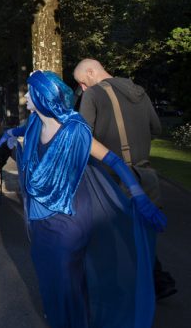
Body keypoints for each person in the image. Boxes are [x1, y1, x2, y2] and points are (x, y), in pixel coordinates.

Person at [0, 70, 165, 327]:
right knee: (48, 276)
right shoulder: (34, 124)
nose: (25, 97)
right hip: (41, 218)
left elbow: (113, 160)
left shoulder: (75, 131)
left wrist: (139, 195)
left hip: (69, 218)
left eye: (30, 92)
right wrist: (11, 137)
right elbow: (23, 132)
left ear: (43, 97)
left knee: (66, 278)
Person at [73, 58, 175, 300]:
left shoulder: (93, 95)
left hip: (113, 177)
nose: (83, 88)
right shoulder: (138, 90)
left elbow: (82, 137)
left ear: (91, 71)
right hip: (145, 173)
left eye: (82, 83)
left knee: (110, 237)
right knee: (141, 233)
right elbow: (156, 129)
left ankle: (122, 292)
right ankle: (157, 280)